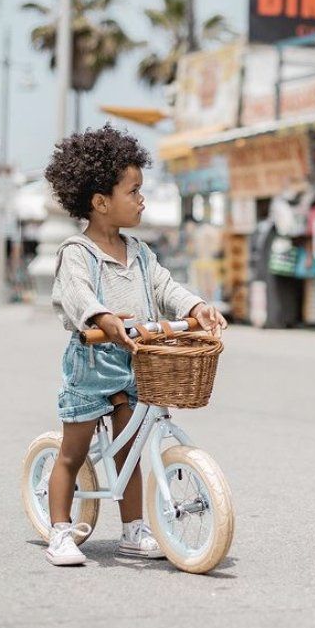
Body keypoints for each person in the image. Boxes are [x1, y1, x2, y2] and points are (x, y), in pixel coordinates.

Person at [45, 124, 227, 566]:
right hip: (92, 362)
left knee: (131, 450)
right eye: (134, 190)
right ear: (100, 201)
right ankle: (60, 532)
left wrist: (197, 306)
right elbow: (77, 295)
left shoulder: (140, 252)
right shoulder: (77, 252)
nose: (142, 199)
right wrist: (103, 318)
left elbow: (167, 288)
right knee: (72, 452)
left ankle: (133, 531)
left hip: (137, 361)